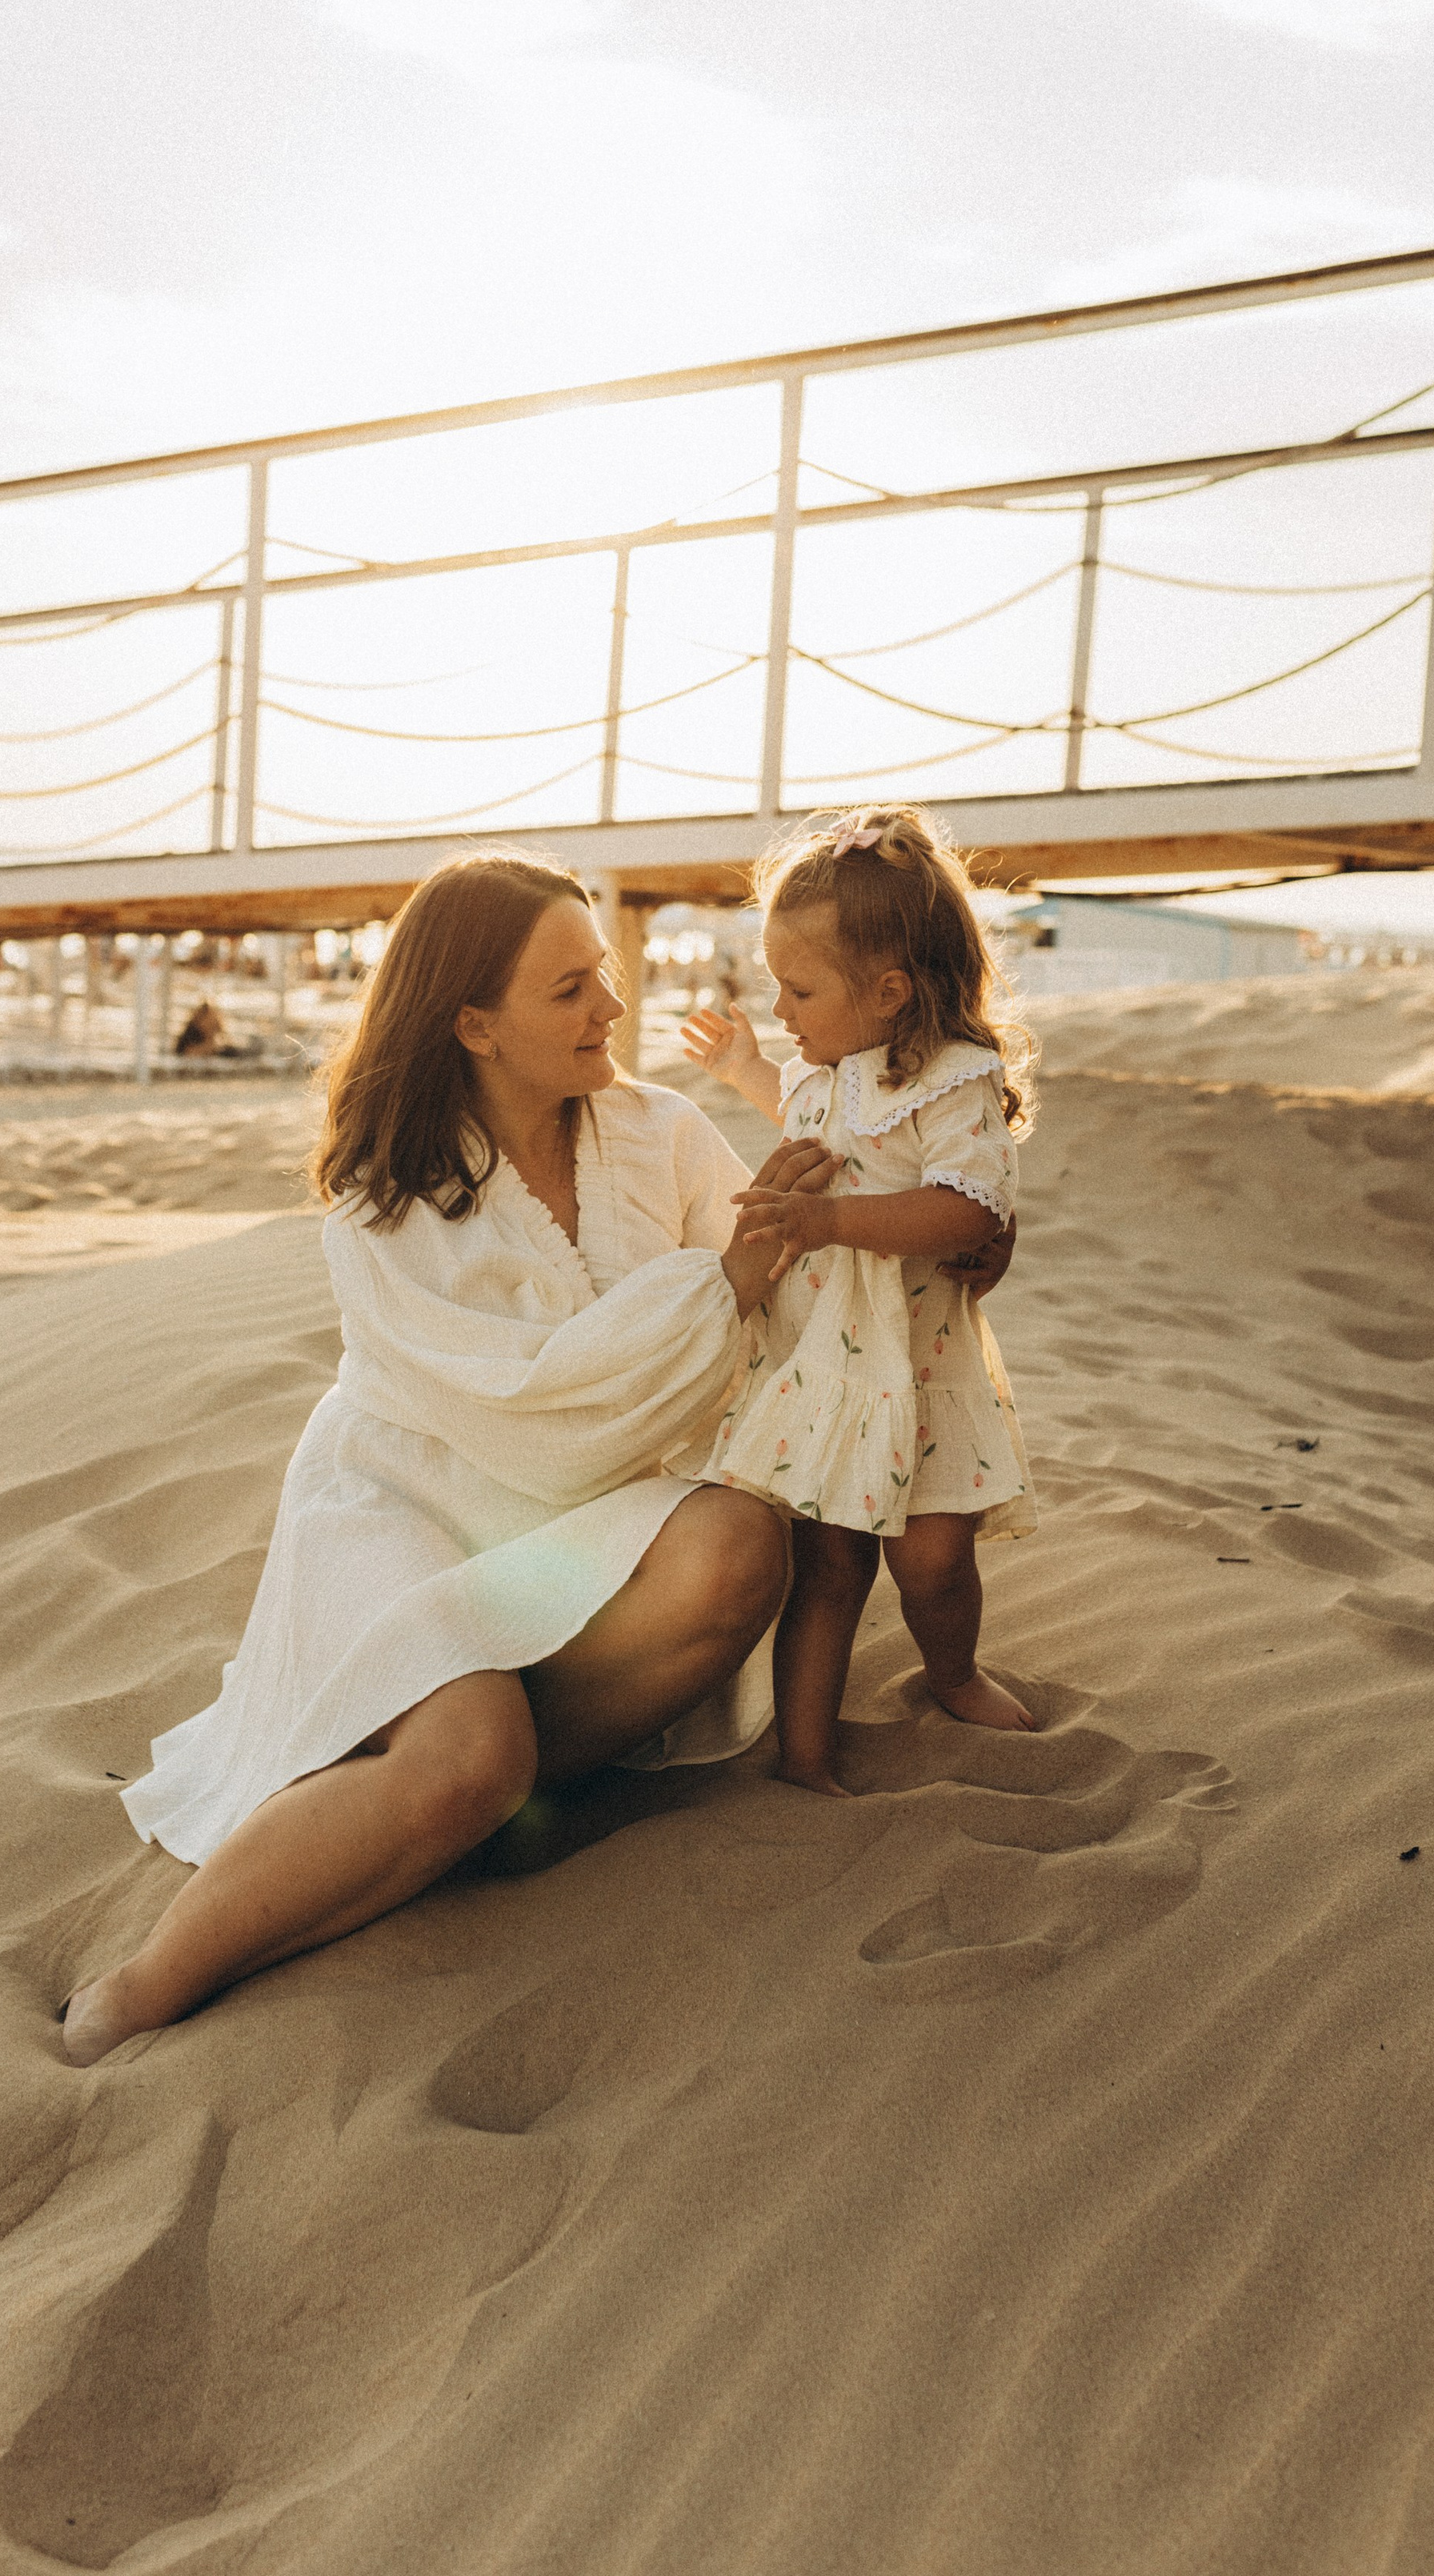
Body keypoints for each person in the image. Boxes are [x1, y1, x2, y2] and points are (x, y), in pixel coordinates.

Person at [61, 851, 872, 2065]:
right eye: (569, 990)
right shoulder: (383, 1202)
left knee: (739, 1548)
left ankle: (451, 1796)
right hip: (408, 1494)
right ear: (474, 1023)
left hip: (586, 1509)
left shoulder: (662, 1133)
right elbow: (534, 1411)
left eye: (603, 975)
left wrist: (891, 1229)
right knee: (471, 1750)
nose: (610, 1008)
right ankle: (143, 1984)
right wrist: (726, 1286)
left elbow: (794, 1298)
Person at [681, 806, 1037, 1791]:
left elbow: (968, 1202)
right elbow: (807, 1121)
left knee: (933, 1560)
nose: (781, 1007)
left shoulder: (954, 1083)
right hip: (828, 1367)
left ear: (889, 991)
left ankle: (952, 1672)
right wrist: (743, 1068)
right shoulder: (823, 1075)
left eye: (799, 989)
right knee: (828, 1566)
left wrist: (831, 1221)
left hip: (919, 1366)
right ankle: (805, 1752)